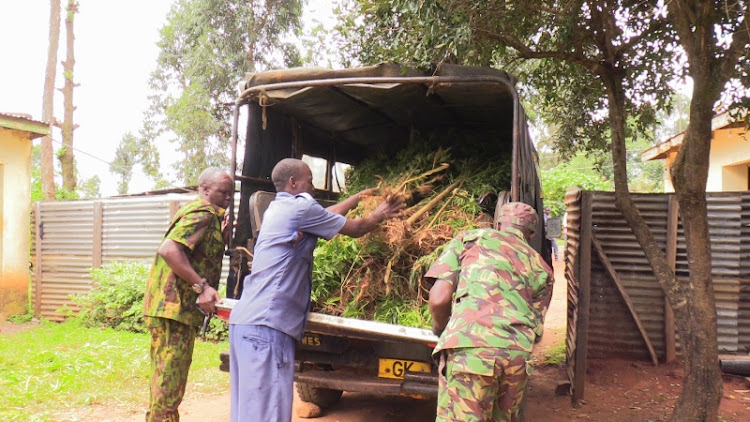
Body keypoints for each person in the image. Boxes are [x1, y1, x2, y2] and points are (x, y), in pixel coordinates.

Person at [228, 158, 404, 422]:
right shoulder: (300, 208)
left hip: (246, 323)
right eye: (309, 180)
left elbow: (327, 215)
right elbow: (355, 229)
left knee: (250, 412)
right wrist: (380, 214)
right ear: (294, 183)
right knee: (267, 414)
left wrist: (355, 199)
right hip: (267, 326)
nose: (313, 186)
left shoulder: (279, 209)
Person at [427, 202, 554, 422]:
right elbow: (536, 328)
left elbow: (439, 299)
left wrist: (441, 328)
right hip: (516, 356)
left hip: (472, 348)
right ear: (531, 235)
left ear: (497, 224)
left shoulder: (470, 240)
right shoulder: (542, 267)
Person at [142, 167, 233, 422]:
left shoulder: (207, 215)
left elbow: (195, 252)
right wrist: (202, 287)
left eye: (231, 193)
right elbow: (169, 250)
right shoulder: (202, 213)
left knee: (166, 380)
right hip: (174, 309)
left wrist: (223, 238)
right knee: (169, 383)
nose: (228, 197)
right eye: (222, 192)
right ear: (204, 189)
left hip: (173, 309)